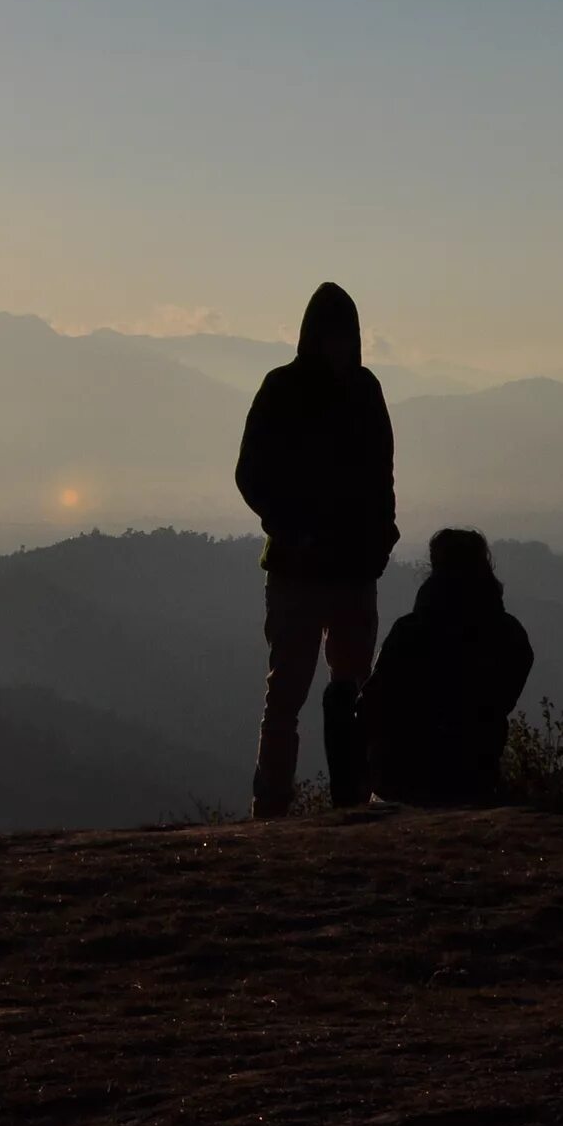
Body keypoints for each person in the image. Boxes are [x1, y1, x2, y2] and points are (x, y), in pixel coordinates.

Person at [233, 281, 397, 817]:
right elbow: (250, 475)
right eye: (333, 335)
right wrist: (294, 530)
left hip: (348, 571)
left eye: (345, 336)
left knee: (351, 695)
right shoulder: (283, 389)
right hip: (300, 573)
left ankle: (351, 801)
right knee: (287, 700)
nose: (339, 346)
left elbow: (381, 477)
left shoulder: (363, 391)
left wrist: (381, 541)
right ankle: (272, 809)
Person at [364, 529, 537, 804]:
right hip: (472, 777)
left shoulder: (408, 631)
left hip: (399, 780)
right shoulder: (510, 636)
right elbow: (500, 702)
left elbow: (369, 706)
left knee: (336, 700)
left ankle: (346, 805)